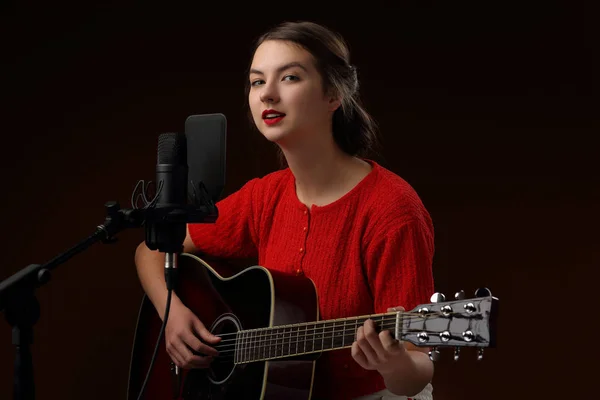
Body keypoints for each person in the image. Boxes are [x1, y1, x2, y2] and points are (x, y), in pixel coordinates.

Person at [135, 21, 435, 400]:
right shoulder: (265, 197)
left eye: (289, 78)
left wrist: (393, 363)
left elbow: (416, 370)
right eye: (257, 81)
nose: (268, 95)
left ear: (333, 95)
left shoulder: (392, 209)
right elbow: (151, 250)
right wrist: (172, 314)